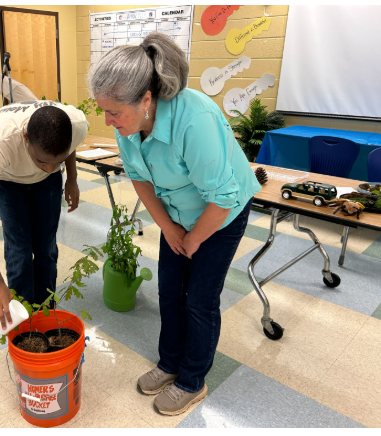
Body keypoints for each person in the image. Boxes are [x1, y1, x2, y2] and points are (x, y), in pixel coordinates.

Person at [88, 33, 262, 416]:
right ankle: (169, 364)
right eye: (103, 110)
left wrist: (195, 238)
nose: (108, 120)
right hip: (177, 214)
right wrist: (168, 229)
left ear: (146, 100)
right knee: (170, 289)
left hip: (221, 211)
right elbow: (139, 177)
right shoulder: (129, 126)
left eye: (114, 111)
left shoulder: (193, 118)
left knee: (199, 298)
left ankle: (192, 380)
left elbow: (223, 196)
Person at [0, 101, 89, 333]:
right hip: (9, 181)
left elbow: (68, 147)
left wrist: (72, 179)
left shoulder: (76, 124)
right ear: (26, 137)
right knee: (19, 250)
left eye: (56, 161)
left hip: (48, 186)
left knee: (46, 248)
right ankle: (24, 323)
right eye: (41, 161)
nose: (47, 168)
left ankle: (46, 314)